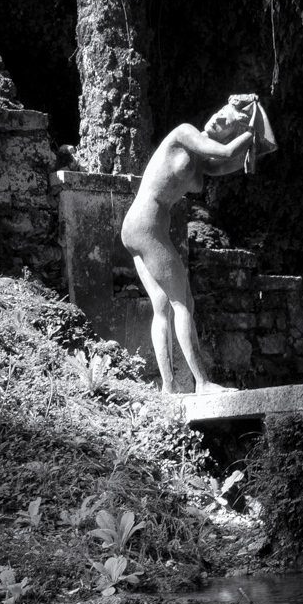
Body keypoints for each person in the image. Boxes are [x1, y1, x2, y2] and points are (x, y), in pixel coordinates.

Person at [120, 94, 276, 394]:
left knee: (163, 306)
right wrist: (249, 131)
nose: (217, 119)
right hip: (146, 226)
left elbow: (228, 160)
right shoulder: (185, 133)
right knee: (184, 303)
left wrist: (253, 142)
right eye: (219, 113)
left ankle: (167, 388)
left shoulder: (201, 162)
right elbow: (229, 148)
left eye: (226, 123)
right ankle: (202, 384)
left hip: (138, 227)